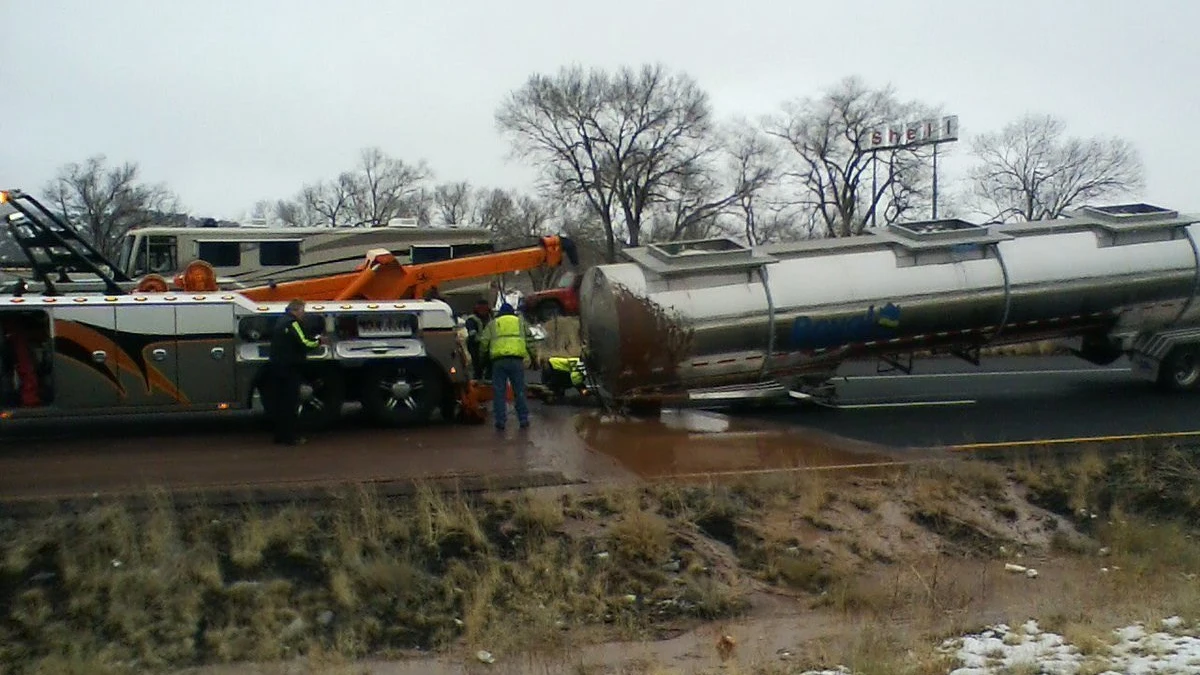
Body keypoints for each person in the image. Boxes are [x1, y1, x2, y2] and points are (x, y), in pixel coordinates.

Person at [268, 299, 326, 446]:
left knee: (280, 403)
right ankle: (291, 437)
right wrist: (319, 342)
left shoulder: (281, 321)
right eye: (302, 311)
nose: (304, 314)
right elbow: (304, 342)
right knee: (291, 403)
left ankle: (280, 436)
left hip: (278, 366)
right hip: (290, 367)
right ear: (296, 310)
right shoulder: (292, 323)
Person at [479, 302, 535, 431]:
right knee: (519, 390)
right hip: (516, 361)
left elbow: (484, 342)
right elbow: (530, 341)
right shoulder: (520, 322)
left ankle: (500, 421)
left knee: (499, 392)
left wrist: (482, 359)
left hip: (498, 362)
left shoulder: (493, 324)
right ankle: (523, 419)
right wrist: (534, 358)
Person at [463, 298, 492, 380]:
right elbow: (472, 334)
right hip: (476, 347)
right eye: (481, 308)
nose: (483, 311)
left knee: (490, 368)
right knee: (478, 368)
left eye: (485, 308)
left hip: (489, 347)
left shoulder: (491, 319)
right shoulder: (472, 320)